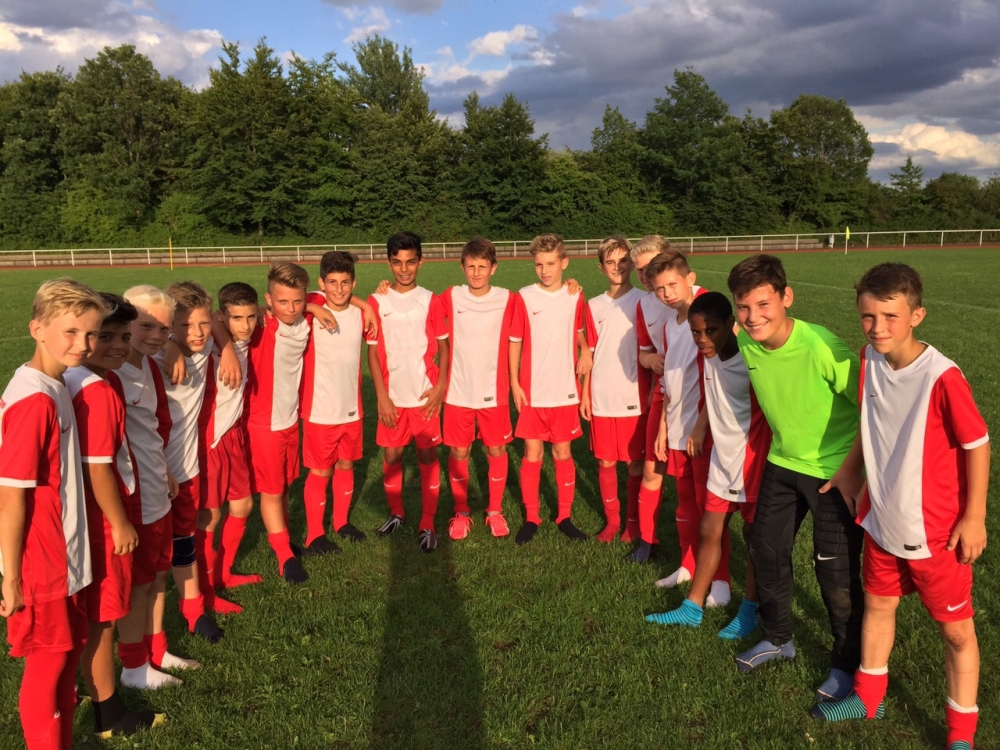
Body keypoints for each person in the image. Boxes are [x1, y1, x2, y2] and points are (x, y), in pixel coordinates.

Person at [810, 263, 989, 750]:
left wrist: (974, 517)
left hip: (936, 533)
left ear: (917, 315)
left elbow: (977, 444)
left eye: (890, 316)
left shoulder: (942, 377)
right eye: (868, 316)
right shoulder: (870, 357)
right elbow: (871, 420)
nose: (877, 327)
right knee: (879, 606)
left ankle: (961, 735)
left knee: (956, 634)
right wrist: (850, 469)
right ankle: (869, 698)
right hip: (882, 518)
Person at [726, 254, 865, 703]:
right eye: (743, 307)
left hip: (833, 472)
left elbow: (874, 406)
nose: (753, 317)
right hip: (783, 462)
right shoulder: (745, 339)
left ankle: (846, 665)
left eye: (763, 305)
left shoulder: (822, 346)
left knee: (834, 573)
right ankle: (778, 637)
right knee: (765, 549)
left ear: (787, 297)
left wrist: (853, 469)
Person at [0, 278, 104, 749]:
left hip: (65, 551)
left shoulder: (55, 382)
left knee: (68, 655)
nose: (83, 344)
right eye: (71, 332)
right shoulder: (34, 401)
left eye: (91, 333)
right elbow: (11, 496)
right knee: (48, 662)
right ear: (37, 329)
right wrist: (11, 577)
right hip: (42, 560)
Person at [66, 293, 166, 738]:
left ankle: (83, 690)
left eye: (124, 337)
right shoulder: (97, 390)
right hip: (102, 517)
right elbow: (98, 465)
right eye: (104, 336)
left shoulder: (72, 378)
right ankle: (109, 712)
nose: (118, 346)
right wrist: (120, 521)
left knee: (92, 614)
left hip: (81, 513)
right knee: (103, 617)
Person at [645, 292, 769, 637]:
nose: (702, 339)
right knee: (709, 530)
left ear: (731, 324)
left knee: (753, 539)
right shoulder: (710, 358)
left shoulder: (752, 363)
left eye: (710, 330)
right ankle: (692, 608)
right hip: (721, 461)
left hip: (751, 466)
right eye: (696, 332)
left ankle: (749, 611)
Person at [118, 285, 199, 686]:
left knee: (159, 575)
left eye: (164, 329)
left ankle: (157, 648)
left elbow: (155, 426)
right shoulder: (110, 373)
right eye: (146, 326)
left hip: (158, 487)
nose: (156, 336)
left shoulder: (150, 366)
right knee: (139, 584)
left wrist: (165, 469)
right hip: (134, 496)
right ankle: (133, 667)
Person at [367, 232, 450, 552]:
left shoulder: (430, 300)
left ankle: (428, 521)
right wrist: (381, 396)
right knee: (392, 455)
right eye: (397, 262)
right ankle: (397, 512)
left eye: (410, 262)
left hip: (423, 396)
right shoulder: (377, 301)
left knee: (427, 455)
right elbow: (372, 352)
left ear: (420, 262)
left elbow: (444, 346)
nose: (404, 269)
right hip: (392, 398)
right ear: (388, 263)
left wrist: (440, 386)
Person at [508, 233, 593, 545]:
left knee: (562, 453)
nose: (545, 270)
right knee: (532, 455)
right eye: (539, 265)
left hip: (565, 391)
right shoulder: (524, 296)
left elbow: (579, 331)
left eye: (551, 264)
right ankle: (532, 516)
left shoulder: (575, 295)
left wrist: (586, 349)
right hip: (533, 392)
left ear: (564, 263)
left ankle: (564, 516)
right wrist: (514, 382)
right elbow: (515, 342)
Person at [156, 281, 229, 637]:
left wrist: (228, 349)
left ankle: (193, 611)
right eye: (185, 325)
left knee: (185, 541)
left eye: (202, 323)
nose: (198, 333)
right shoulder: (155, 360)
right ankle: (147, 638)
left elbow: (220, 323)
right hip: (154, 474)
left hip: (187, 468)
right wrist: (170, 344)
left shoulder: (207, 344)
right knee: (154, 561)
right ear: (170, 324)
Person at [439, 238, 517, 539]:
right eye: (470, 266)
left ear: (493, 268)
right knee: (459, 450)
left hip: (493, 391)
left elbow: (543, 306)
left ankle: (494, 511)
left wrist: (571, 285)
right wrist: (383, 288)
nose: (476, 273)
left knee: (496, 448)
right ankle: (461, 512)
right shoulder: (452, 296)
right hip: (458, 391)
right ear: (462, 267)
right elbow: (418, 306)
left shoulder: (508, 298)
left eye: (482, 267)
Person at [246, 262, 313, 583]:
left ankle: (282, 542)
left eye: (297, 301)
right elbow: (220, 318)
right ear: (268, 300)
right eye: (282, 301)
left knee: (284, 485)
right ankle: (284, 556)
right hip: (264, 423)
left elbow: (328, 299)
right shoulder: (259, 325)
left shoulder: (305, 321)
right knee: (271, 491)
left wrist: (313, 307)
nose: (290, 308)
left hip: (289, 420)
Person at [198, 282, 263, 603]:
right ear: (223, 317)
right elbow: (205, 319)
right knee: (209, 517)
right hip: (210, 440)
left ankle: (223, 574)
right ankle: (203, 589)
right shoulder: (209, 344)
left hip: (234, 434)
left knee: (243, 505)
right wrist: (224, 347)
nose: (246, 325)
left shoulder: (244, 337)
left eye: (251, 317)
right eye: (237, 318)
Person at [580, 236, 646, 542]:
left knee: (634, 463)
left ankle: (632, 522)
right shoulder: (593, 305)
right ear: (601, 267)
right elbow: (589, 354)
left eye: (623, 260)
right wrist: (585, 392)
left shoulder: (644, 301)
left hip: (633, 396)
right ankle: (612, 521)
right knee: (605, 461)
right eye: (610, 262)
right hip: (602, 395)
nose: (617, 267)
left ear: (631, 263)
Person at [301, 252, 368, 547]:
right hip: (320, 410)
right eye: (332, 282)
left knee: (346, 465)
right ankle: (315, 533)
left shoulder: (360, 314)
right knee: (320, 470)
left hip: (352, 409)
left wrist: (367, 305)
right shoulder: (310, 311)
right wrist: (312, 307)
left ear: (353, 283)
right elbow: (281, 304)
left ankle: (341, 522)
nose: (338, 289)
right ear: (321, 283)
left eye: (344, 282)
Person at [629, 236, 680, 552]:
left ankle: (696, 546)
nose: (645, 275)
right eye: (639, 269)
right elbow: (644, 352)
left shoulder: (698, 298)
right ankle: (647, 541)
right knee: (652, 467)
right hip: (663, 394)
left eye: (651, 266)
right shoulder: (643, 305)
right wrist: (652, 361)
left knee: (690, 474)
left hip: (697, 399)